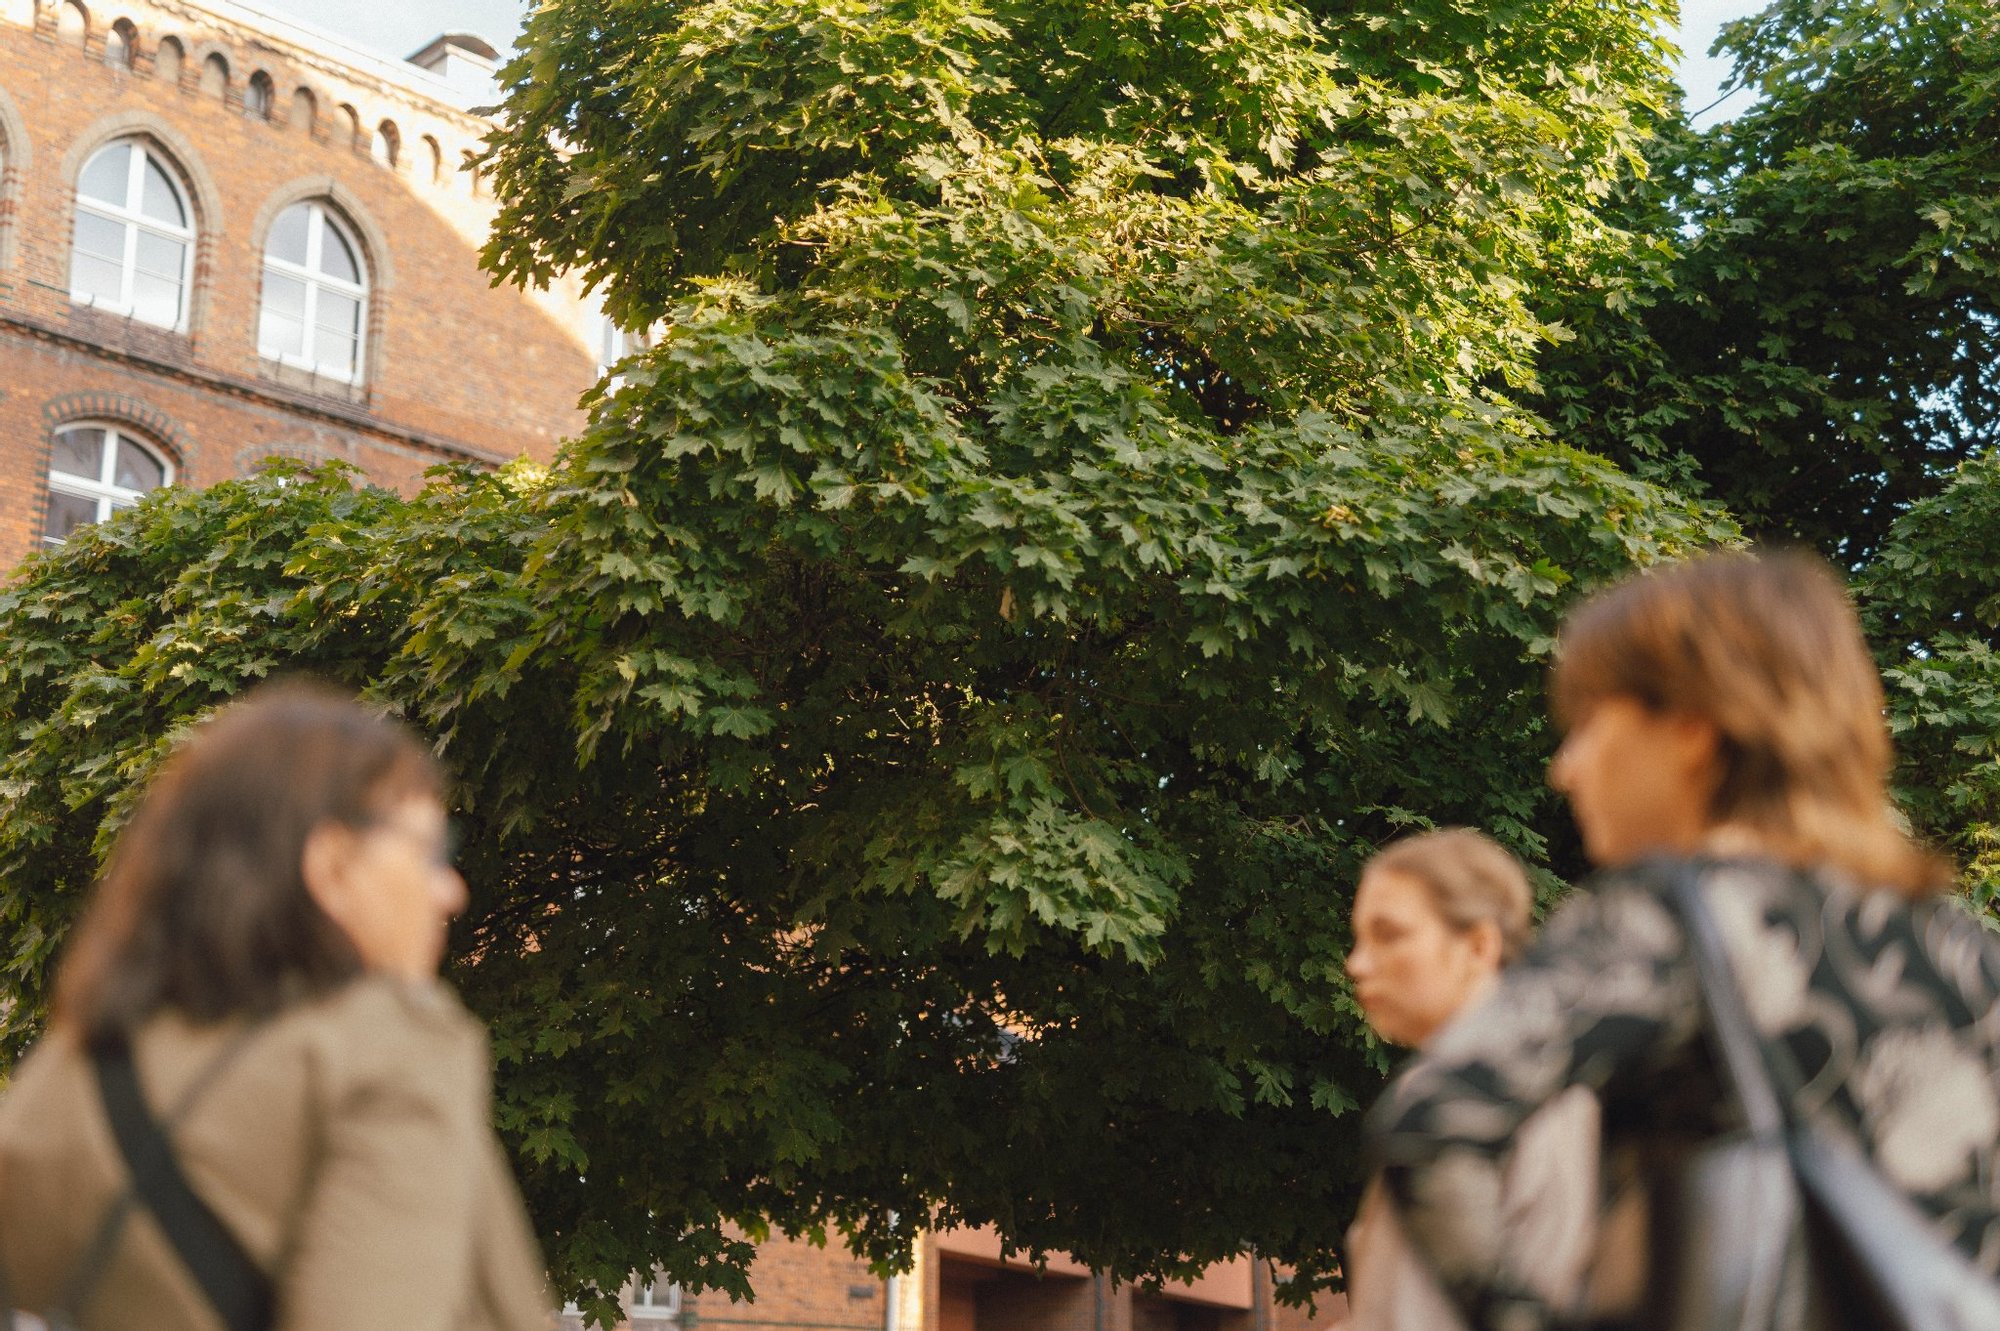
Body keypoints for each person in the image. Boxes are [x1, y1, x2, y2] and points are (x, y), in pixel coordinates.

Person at [1365, 549, 2000, 1330]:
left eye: (1589, 723)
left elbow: (1433, 1120)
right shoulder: (1969, 952)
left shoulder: (1669, 914)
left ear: (1695, 727)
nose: (1566, 768)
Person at [0, 682, 553, 1329]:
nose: (449, 891)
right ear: (334, 866)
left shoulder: (64, 1073)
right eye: (431, 851)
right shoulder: (385, 1051)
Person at [1343, 829, 1598, 1330]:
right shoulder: (1506, 1087)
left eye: (1388, 934)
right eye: (1358, 938)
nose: (1357, 963)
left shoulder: (1509, 1100)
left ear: (1479, 945)